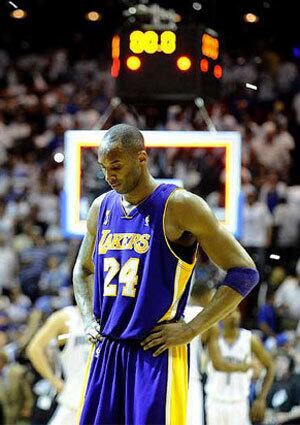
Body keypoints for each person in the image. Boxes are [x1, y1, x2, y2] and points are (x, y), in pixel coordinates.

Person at [73, 124, 259, 425]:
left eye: (116, 166)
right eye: (105, 168)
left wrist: (192, 329)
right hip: (108, 350)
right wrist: (86, 317)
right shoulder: (100, 208)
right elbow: (82, 270)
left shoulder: (180, 205)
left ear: (141, 158)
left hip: (155, 352)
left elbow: (245, 272)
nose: (109, 176)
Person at [205, 308, 275, 425]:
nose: (233, 316)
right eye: (228, 312)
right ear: (220, 316)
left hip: (239, 404)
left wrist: (261, 398)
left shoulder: (250, 339)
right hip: (215, 402)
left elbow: (271, 366)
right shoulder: (213, 337)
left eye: (236, 311)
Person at [26, 305, 90, 425]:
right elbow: (34, 348)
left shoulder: (108, 315)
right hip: (72, 399)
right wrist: (54, 381)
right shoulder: (66, 317)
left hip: (102, 397)